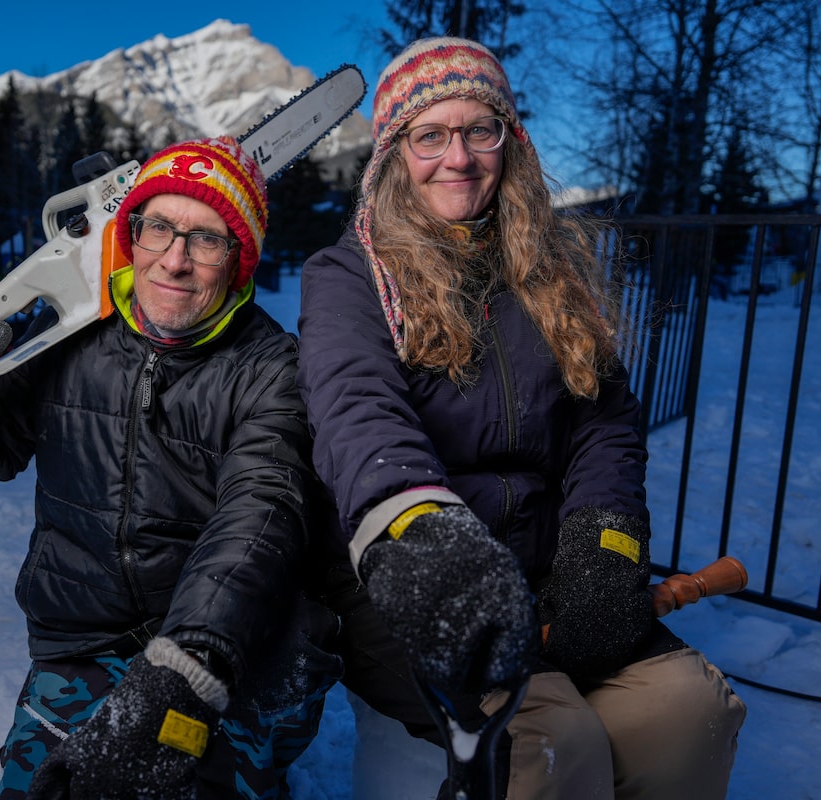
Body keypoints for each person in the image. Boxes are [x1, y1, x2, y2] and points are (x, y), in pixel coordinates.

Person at [296, 37, 747, 799]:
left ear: (512, 142)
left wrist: (603, 550)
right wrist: (429, 540)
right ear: (394, 155)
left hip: (552, 575)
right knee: (551, 745)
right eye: (430, 134)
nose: (459, 156)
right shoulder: (349, 278)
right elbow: (356, 413)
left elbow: (605, 424)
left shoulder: (552, 272)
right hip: (427, 583)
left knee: (687, 714)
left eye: (481, 129)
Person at [0, 135, 341, 800]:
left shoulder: (273, 369)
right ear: (132, 231)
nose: (175, 260)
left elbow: (258, 517)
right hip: (85, 638)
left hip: (236, 648)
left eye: (207, 239)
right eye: (158, 226)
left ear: (240, 261)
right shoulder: (74, 334)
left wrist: (183, 667)